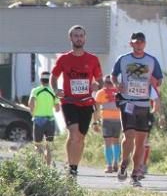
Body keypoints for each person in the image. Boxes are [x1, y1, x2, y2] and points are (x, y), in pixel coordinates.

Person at [111, 32, 163, 186]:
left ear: (144, 44)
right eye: (136, 42)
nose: (139, 44)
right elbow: (114, 76)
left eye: (141, 42)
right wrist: (117, 85)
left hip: (144, 104)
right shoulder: (123, 59)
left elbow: (159, 80)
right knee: (129, 135)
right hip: (128, 102)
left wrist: (155, 84)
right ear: (131, 44)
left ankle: (135, 174)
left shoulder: (151, 60)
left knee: (141, 141)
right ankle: (124, 163)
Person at [50, 25, 103, 177]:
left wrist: (95, 85)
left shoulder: (92, 59)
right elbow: (54, 77)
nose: (78, 38)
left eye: (81, 35)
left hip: (86, 102)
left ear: (85, 38)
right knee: (73, 133)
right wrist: (56, 90)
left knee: (80, 137)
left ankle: (74, 166)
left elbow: (99, 80)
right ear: (70, 38)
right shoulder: (64, 58)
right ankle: (71, 169)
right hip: (69, 101)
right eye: (75, 36)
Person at [28, 71, 59, 167]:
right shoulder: (53, 92)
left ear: (41, 80)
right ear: (49, 81)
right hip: (50, 120)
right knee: (49, 146)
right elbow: (57, 109)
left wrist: (33, 112)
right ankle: (48, 167)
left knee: (38, 145)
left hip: (38, 120)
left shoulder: (36, 90)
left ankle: (40, 166)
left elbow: (31, 103)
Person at [93, 75, 123, 174]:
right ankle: (112, 164)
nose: (108, 85)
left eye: (109, 83)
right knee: (114, 142)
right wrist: (95, 122)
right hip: (111, 120)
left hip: (113, 120)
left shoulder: (101, 93)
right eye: (107, 82)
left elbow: (96, 109)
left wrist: (95, 122)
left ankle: (112, 164)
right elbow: (96, 109)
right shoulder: (119, 92)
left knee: (111, 142)